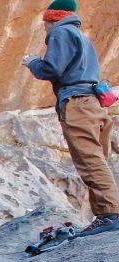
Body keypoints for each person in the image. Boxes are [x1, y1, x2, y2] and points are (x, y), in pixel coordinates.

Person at [22, 0, 119, 237]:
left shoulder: (60, 33)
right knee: (98, 158)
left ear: (51, 19)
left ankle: (110, 214)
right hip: (94, 103)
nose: (45, 29)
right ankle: (106, 214)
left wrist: (33, 62)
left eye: (45, 24)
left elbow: (53, 69)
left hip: (77, 103)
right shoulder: (80, 35)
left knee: (89, 160)